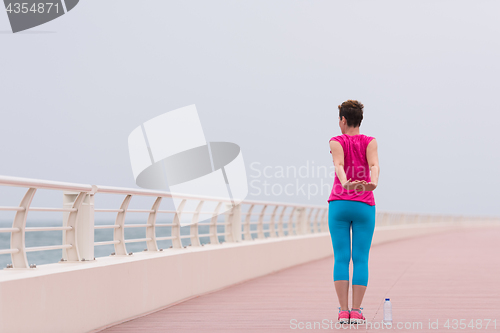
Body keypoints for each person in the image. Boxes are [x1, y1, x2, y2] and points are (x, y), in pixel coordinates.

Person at [328, 100, 379, 325]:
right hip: (364, 204)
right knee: (360, 259)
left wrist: (346, 182)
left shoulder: (336, 140)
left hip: (339, 203)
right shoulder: (370, 141)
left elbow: (338, 164)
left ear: (343, 120)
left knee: (341, 258)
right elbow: (375, 166)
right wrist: (372, 183)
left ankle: (343, 311)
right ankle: (356, 312)